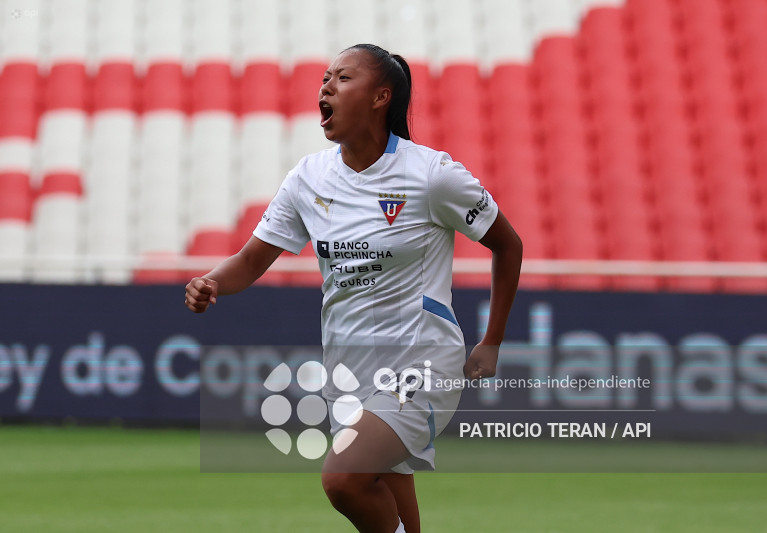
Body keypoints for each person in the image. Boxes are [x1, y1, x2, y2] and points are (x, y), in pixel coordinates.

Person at [185, 43, 522, 533]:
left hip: (422, 362)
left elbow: (508, 245)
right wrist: (211, 281)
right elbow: (252, 258)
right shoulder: (309, 178)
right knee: (389, 495)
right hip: (350, 369)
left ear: (380, 96)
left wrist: (492, 341)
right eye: (324, 78)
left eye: (342, 78)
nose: (326, 86)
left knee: (342, 479)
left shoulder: (431, 174)